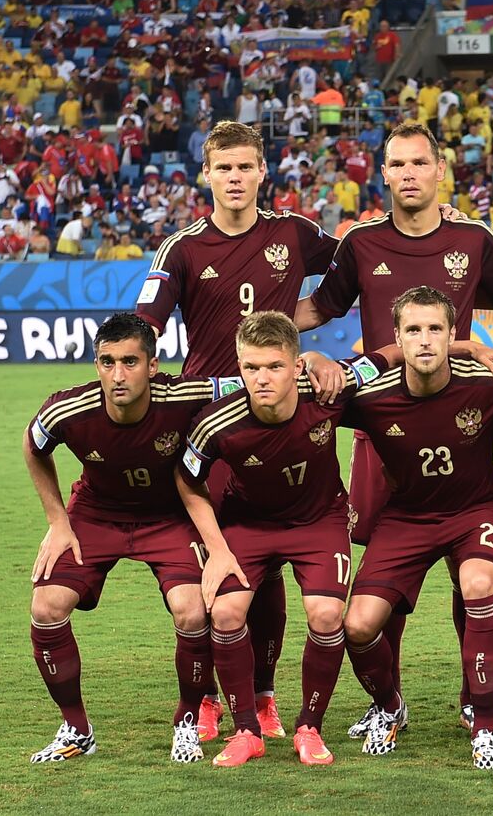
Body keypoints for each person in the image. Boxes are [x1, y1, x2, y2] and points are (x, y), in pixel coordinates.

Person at [295, 121, 493, 737]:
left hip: (462, 419)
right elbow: (322, 309)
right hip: (383, 431)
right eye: (397, 164)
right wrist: (271, 338)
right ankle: (389, 701)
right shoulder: (358, 242)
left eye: (420, 163)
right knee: (386, 580)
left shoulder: (472, 237)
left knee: (475, 575)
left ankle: (477, 692)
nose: (409, 173)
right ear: (382, 174)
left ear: (441, 171)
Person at [135, 120, 342, 743]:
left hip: (281, 413)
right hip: (210, 421)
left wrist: (301, 329)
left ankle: (265, 697)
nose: (234, 178)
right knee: (217, 571)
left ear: (261, 173)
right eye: (223, 168)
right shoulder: (181, 248)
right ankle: (200, 699)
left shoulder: (294, 234)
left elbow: (354, 272)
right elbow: (146, 323)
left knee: (271, 566)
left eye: (245, 167)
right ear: (206, 175)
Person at [176, 312, 387, 768]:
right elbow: (188, 480)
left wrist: (468, 348)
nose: (262, 378)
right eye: (251, 368)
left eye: (274, 366)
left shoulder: (328, 391)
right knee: (226, 611)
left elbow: (389, 357)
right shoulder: (216, 423)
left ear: (296, 366)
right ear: (238, 366)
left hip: (319, 521)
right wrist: (217, 550)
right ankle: (247, 731)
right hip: (248, 525)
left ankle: (309, 727)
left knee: (328, 614)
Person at [24, 314, 230, 765]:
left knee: (193, 610)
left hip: (169, 516)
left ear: (153, 366)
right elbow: (33, 445)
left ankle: (187, 722)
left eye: (130, 362)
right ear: (96, 364)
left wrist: (310, 362)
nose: (118, 375)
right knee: (46, 607)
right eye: (107, 362)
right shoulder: (66, 409)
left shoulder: (188, 393)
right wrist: (58, 521)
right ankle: (76, 729)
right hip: (97, 513)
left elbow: (252, 384)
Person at [339, 286, 493, 770]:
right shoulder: (370, 398)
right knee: (356, 626)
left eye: (435, 329)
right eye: (413, 330)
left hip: (476, 510)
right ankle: (389, 704)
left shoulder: (489, 383)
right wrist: (314, 357)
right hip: (407, 518)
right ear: (397, 338)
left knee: (478, 584)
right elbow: (304, 403)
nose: (424, 340)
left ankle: (482, 722)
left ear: (452, 335)